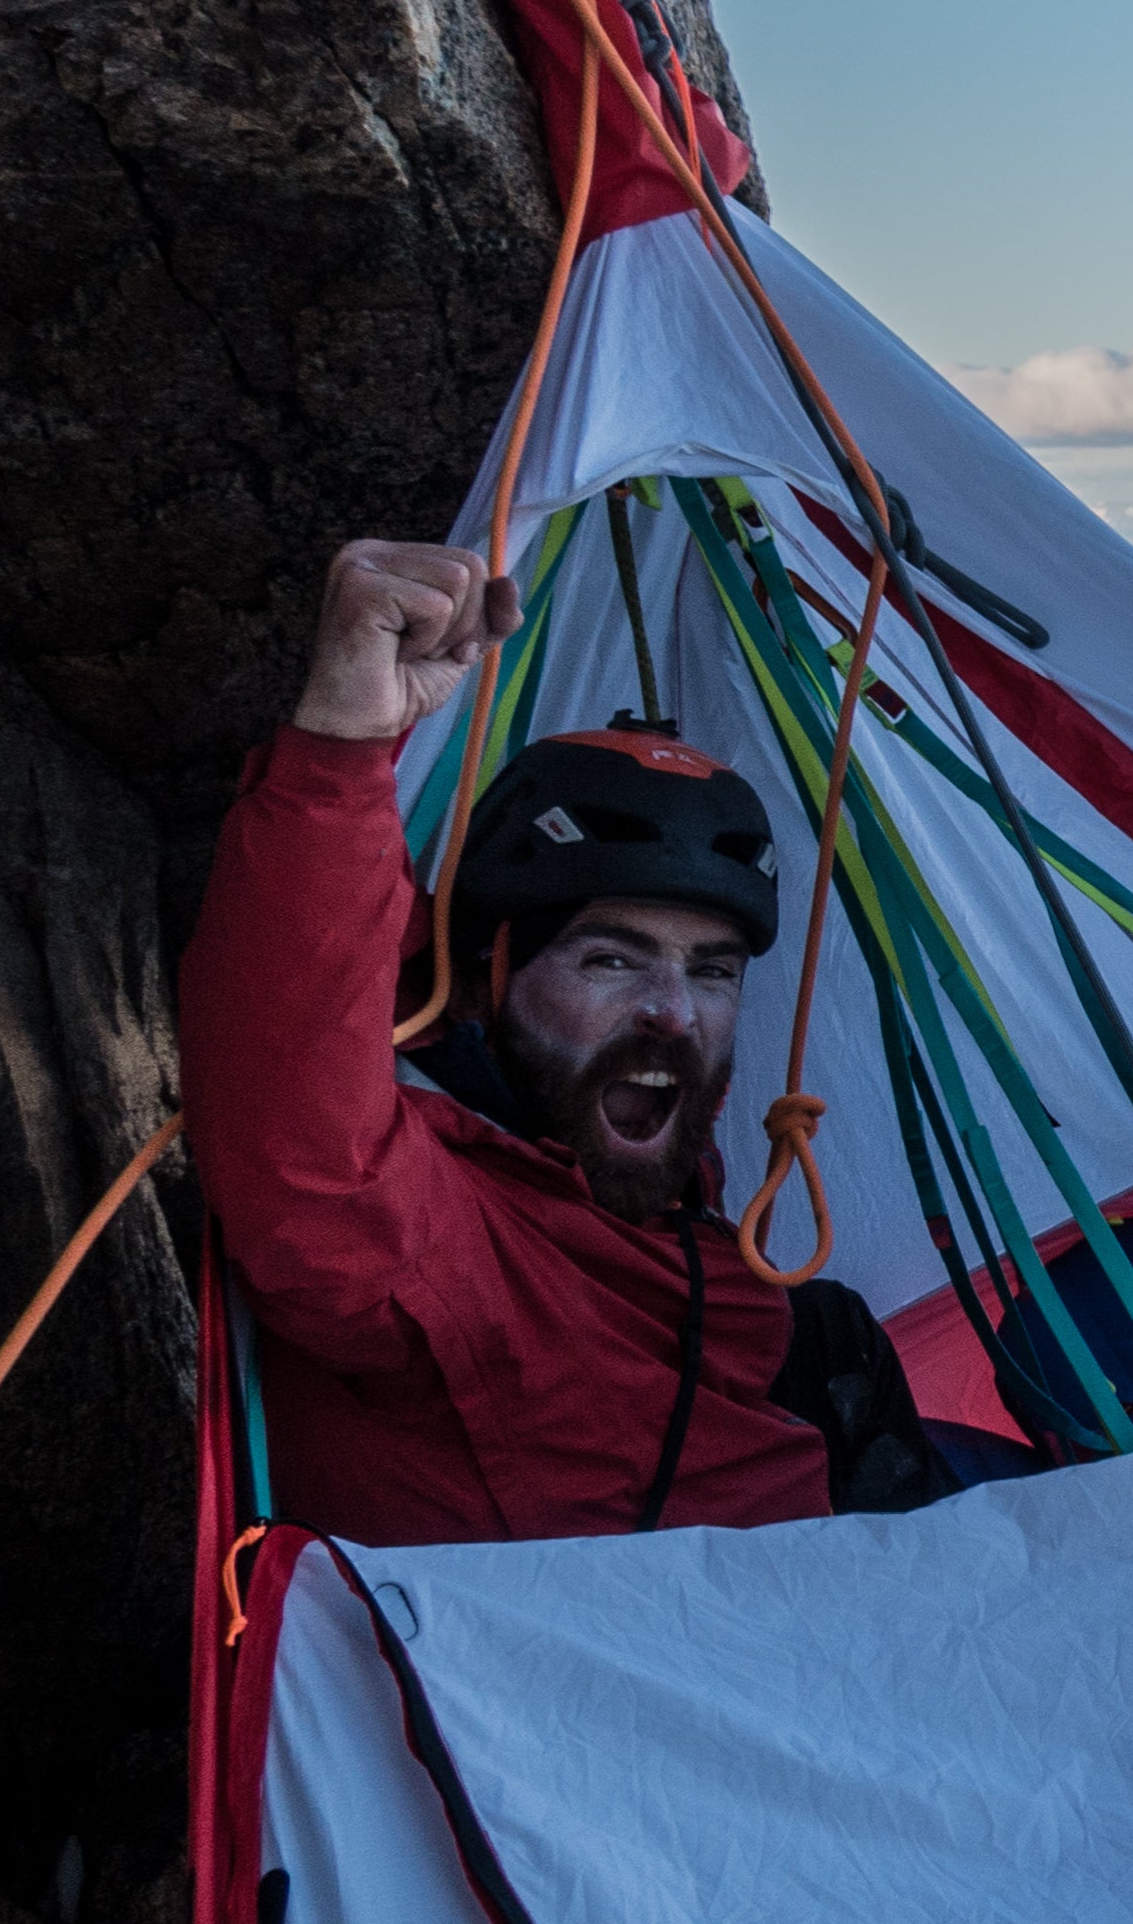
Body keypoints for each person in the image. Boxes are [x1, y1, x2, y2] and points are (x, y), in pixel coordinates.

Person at [180, 537, 952, 1542]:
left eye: (712, 972)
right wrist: (342, 753)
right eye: (612, 960)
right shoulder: (436, 1241)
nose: (674, 1014)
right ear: (488, 983)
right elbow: (298, 1117)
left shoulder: (756, 1284)